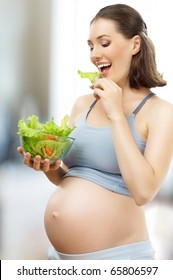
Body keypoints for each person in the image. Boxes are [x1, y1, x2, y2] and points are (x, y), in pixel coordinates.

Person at [17, 3, 173, 260]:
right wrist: (49, 166)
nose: (94, 54)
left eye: (104, 43)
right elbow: (69, 178)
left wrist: (116, 115)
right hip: (60, 259)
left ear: (135, 45)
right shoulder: (83, 103)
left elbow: (144, 192)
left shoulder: (160, 112)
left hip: (120, 261)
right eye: (90, 46)